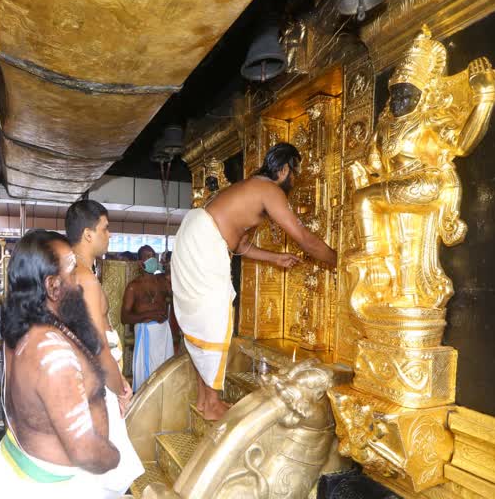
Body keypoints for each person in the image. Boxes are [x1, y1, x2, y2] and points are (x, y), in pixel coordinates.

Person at [172, 143, 337, 420]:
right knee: (214, 319)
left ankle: (205, 400)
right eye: (295, 173)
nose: (295, 180)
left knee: (204, 320)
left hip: (194, 235)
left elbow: (239, 245)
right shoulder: (269, 190)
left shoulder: (249, 188)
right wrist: (337, 260)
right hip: (203, 241)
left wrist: (275, 258)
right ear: (284, 169)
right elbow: (304, 238)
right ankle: (212, 404)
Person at [0, 230, 141, 497]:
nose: (78, 283)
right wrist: (116, 457)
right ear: (52, 286)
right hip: (55, 486)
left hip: (27, 463)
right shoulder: (51, 352)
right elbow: (84, 450)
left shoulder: (25, 327)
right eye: (71, 273)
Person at [65, 200, 132, 409]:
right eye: (105, 228)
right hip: (98, 378)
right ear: (88, 234)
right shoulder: (85, 278)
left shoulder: (73, 270)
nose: (109, 234)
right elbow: (97, 345)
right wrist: (119, 389)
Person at [121, 245, 173, 391]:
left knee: (164, 372)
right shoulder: (133, 287)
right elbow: (124, 317)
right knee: (147, 379)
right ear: (140, 262)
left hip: (163, 332)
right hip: (145, 332)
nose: (152, 260)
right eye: (147, 257)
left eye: (153, 256)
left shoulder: (163, 282)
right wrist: (149, 315)